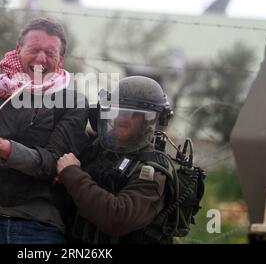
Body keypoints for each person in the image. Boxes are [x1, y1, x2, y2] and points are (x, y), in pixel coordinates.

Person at [0, 18, 89, 244]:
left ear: (61, 59)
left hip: (40, 224)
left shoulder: (73, 102)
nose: (41, 58)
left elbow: (51, 163)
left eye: (50, 52)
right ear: (18, 51)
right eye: (34, 49)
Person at [56, 76, 176, 244]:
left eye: (135, 114)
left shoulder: (152, 172)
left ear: (150, 121)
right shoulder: (97, 148)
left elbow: (117, 217)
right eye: (119, 110)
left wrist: (72, 174)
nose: (124, 118)